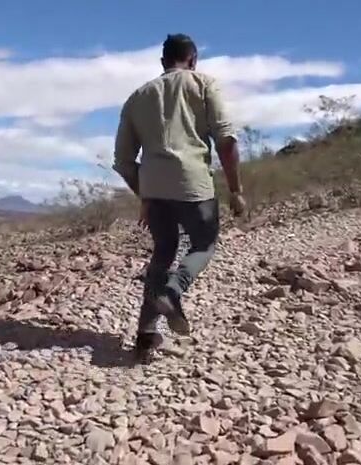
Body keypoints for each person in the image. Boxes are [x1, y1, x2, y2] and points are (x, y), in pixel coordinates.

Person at [112, 33, 245, 361]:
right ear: (193, 59)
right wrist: (235, 190)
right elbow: (226, 141)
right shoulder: (204, 84)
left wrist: (145, 196)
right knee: (204, 244)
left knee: (163, 252)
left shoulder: (137, 97)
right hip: (192, 184)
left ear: (162, 62)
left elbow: (123, 161)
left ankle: (145, 337)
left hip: (154, 189)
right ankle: (173, 291)